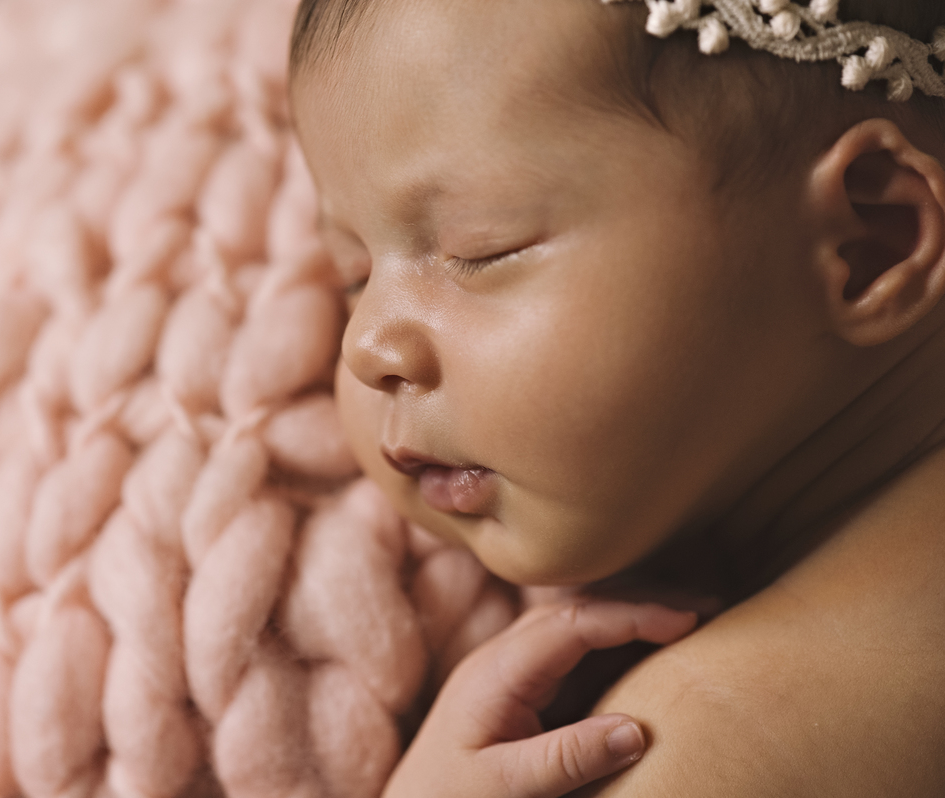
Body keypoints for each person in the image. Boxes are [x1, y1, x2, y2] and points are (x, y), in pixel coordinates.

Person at [287, 0, 945, 794]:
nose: (364, 346)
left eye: (481, 247)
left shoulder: (709, 745)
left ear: (869, 244)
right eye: (353, 274)